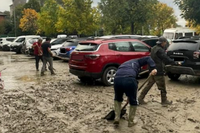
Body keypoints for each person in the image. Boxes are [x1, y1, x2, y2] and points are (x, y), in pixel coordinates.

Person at [113, 56, 157, 127]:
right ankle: (131, 122)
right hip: (129, 80)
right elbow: (148, 58)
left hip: (117, 79)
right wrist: (153, 68)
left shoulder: (125, 64)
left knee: (117, 98)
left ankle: (117, 118)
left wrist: (129, 95)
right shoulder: (138, 61)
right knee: (134, 101)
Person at [138, 37, 181, 106]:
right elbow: (166, 59)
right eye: (165, 42)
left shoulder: (154, 48)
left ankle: (140, 98)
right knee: (162, 86)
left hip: (152, 69)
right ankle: (164, 101)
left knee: (149, 85)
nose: (165, 44)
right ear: (163, 42)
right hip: (158, 70)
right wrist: (175, 63)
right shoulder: (160, 50)